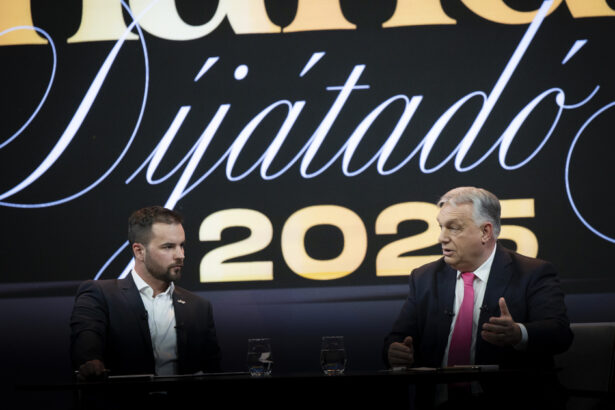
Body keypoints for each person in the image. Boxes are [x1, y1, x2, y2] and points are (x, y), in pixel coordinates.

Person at [384, 187, 573, 409]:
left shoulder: (532, 274)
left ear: (485, 232)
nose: (441, 237)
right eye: (441, 227)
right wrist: (395, 352)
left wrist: (518, 333)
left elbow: (560, 334)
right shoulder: (424, 278)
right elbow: (397, 338)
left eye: (453, 228)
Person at [70, 206, 221, 380]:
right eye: (168, 247)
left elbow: (213, 374)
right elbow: (86, 352)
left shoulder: (199, 307)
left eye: (182, 245)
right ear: (139, 251)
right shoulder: (100, 295)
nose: (180, 255)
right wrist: (91, 362)